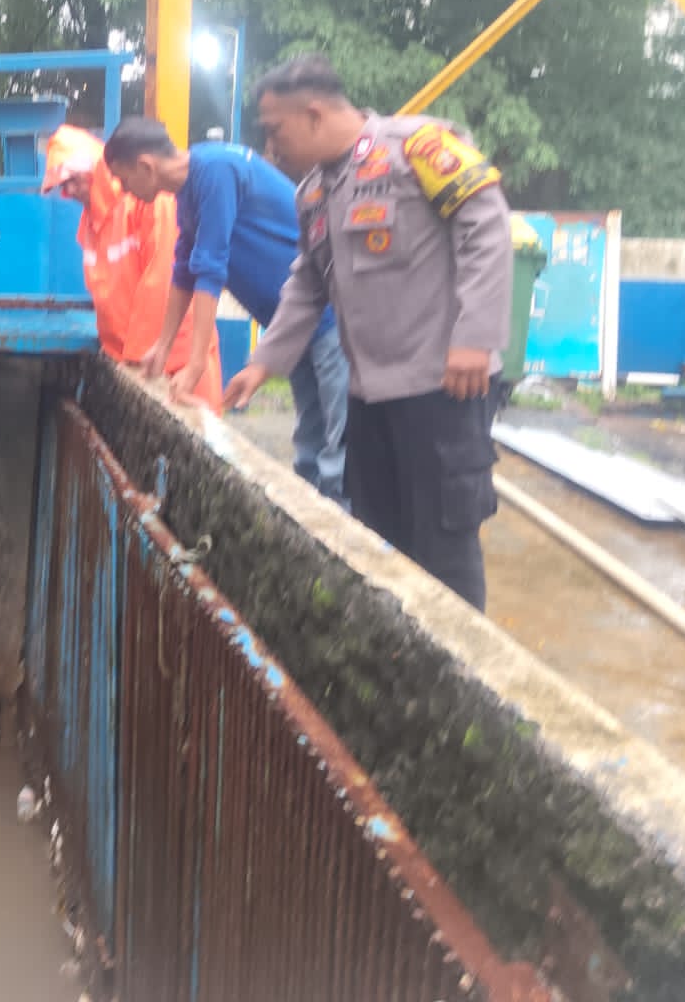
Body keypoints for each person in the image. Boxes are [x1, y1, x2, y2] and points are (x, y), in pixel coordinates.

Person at [224, 53, 514, 610]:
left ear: (313, 114)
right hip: (370, 396)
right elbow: (308, 282)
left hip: (443, 389)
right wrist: (263, 364)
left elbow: (487, 223)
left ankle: (456, 680)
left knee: (444, 543)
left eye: (275, 129)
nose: (271, 146)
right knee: (381, 536)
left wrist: (474, 336)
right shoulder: (313, 191)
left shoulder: (417, 149)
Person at [101, 117, 350, 505]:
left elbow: (210, 266)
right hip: (292, 326)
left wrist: (196, 362)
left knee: (339, 453)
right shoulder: (188, 188)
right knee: (309, 447)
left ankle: (350, 550)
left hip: (330, 319)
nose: (125, 191)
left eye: (123, 178)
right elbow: (184, 268)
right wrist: (162, 347)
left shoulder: (216, 170)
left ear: (145, 166)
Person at [42, 124, 223, 412]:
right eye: (63, 186)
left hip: (176, 367)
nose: (71, 190)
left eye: (75, 179)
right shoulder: (90, 225)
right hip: (134, 365)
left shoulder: (149, 201)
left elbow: (163, 279)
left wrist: (137, 359)